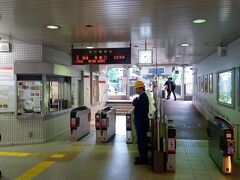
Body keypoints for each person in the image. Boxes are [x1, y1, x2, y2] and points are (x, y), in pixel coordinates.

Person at [132, 81, 149, 165]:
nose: (135, 89)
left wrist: (135, 102)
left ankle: (143, 159)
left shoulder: (143, 98)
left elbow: (136, 104)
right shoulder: (141, 97)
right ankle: (141, 156)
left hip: (142, 122)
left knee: (142, 140)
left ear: (141, 88)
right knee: (140, 139)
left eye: (136, 88)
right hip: (140, 122)